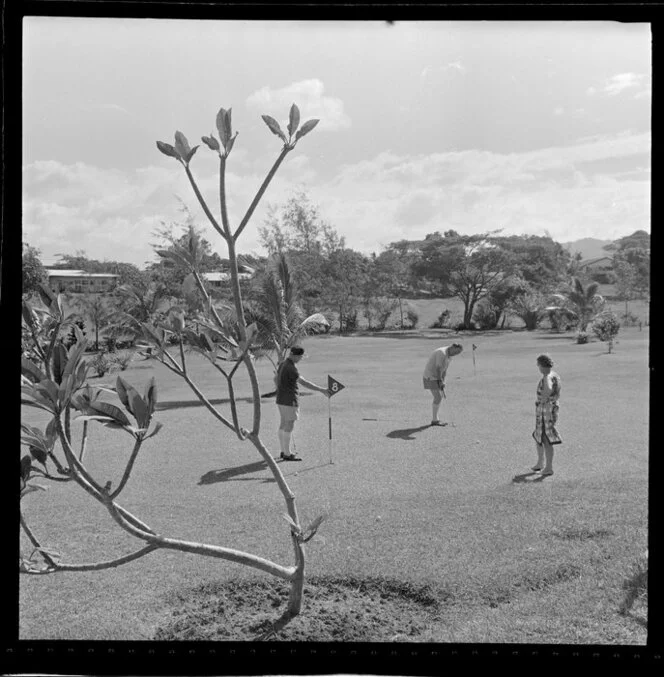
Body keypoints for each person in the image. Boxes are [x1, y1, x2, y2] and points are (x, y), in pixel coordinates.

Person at [275, 346, 330, 461]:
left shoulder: (283, 364)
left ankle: (283, 451)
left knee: (283, 424)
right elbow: (304, 382)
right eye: (300, 357)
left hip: (280, 399)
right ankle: (287, 454)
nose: (300, 359)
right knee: (289, 425)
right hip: (289, 400)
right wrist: (322, 390)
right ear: (295, 355)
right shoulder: (291, 368)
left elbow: (276, 379)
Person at [532, 353, 562, 476]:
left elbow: (548, 389)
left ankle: (548, 467)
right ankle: (540, 463)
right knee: (538, 436)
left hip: (547, 412)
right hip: (546, 411)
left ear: (541, 366)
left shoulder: (547, 376)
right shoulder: (555, 375)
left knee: (546, 438)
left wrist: (544, 398)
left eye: (538, 365)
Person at [422, 343, 463, 426]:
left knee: (439, 397)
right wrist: (440, 381)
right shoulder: (442, 353)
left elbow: (444, 370)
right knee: (438, 397)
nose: (456, 354)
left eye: (458, 353)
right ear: (452, 347)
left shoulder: (449, 355)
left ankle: (435, 420)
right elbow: (438, 368)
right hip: (430, 376)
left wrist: (443, 381)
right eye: (456, 352)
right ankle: (435, 420)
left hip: (437, 376)